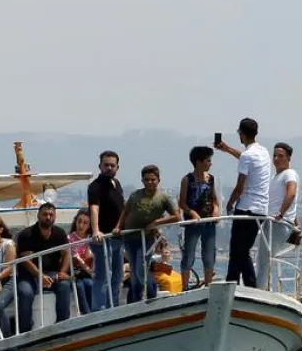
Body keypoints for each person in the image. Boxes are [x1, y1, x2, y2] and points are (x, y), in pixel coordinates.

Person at [216, 117, 271, 288]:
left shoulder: (247, 156)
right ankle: (249, 286)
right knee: (243, 250)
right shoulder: (264, 152)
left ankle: (231, 284)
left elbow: (240, 187)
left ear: (241, 133)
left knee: (236, 250)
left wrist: (229, 204)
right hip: (261, 210)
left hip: (246, 208)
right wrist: (227, 149)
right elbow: (246, 159)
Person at [114, 164, 181, 302]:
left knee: (140, 269)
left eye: (153, 179)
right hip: (130, 237)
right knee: (135, 271)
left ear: (158, 180)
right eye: (147, 180)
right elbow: (125, 212)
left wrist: (157, 223)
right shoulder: (135, 195)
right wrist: (118, 227)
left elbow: (176, 216)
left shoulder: (163, 197)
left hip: (146, 238)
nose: (150, 182)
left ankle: (148, 298)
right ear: (142, 181)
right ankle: (134, 301)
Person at [5, 202, 74, 334]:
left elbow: (66, 253)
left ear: (55, 217)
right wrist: (40, 276)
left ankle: (62, 324)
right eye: (45, 214)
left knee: (64, 286)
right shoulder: (27, 234)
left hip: (52, 273)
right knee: (26, 293)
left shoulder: (59, 233)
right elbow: (27, 261)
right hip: (29, 275)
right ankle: (25, 330)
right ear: (38, 215)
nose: (48, 217)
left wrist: (63, 272)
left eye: (51, 214)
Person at [86, 151, 126, 312]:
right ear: (100, 166)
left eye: (112, 165)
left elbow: (122, 208)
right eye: (106, 165)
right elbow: (94, 208)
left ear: (117, 167)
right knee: (102, 276)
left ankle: (113, 308)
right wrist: (96, 231)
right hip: (102, 238)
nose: (109, 167)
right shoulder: (95, 186)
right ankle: (99, 311)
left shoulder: (116, 183)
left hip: (117, 237)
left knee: (117, 275)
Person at [178, 146, 220, 287]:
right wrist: (191, 212)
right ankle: (185, 286)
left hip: (209, 222)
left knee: (209, 254)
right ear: (198, 162)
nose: (210, 163)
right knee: (189, 254)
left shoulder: (211, 179)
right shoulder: (187, 180)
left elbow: (214, 199)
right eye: (208, 161)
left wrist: (216, 210)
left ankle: (208, 285)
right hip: (193, 224)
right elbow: (182, 203)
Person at [263, 142, 301, 292]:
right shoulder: (275, 177)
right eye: (275, 155)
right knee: (263, 257)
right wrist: (297, 222)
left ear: (288, 158)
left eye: (281, 156)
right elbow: (290, 202)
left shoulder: (289, 174)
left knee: (265, 258)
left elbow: (291, 193)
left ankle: (262, 290)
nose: (276, 159)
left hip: (278, 222)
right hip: (271, 222)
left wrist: (281, 213)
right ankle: (264, 287)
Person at [66, 209, 96, 315]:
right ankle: (87, 314)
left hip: (86, 274)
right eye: (79, 221)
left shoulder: (90, 239)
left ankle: (93, 313)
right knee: (79, 286)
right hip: (75, 272)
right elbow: (77, 259)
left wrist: (88, 245)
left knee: (90, 284)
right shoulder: (69, 239)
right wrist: (91, 273)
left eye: (85, 223)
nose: (81, 225)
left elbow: (89, 256)